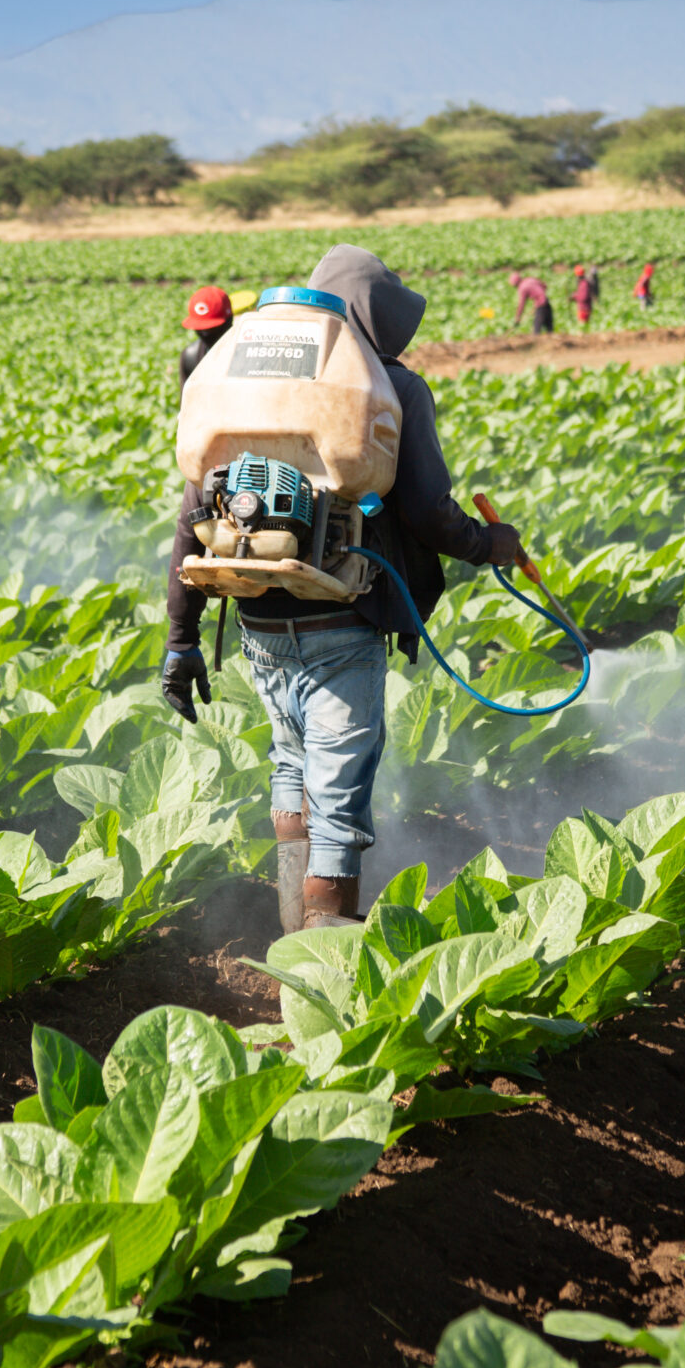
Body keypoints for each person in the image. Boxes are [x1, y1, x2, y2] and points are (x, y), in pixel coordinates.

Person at [162, 245, 525, 931]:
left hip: (258, 622)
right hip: (343, 619)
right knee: (337, 813)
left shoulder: (248, 378)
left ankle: (294, 943)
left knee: (289, 767)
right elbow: (424, 510)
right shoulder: (390, 387)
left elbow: (193, 518)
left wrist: (181, 641)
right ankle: (323, 990)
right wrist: (489, 544)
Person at [178, 285, 233, 385]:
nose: (205, 334)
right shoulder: (190, 358)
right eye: (200, 329)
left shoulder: (247, 354)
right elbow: (186, 399)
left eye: (212, 329)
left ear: (229, 321)